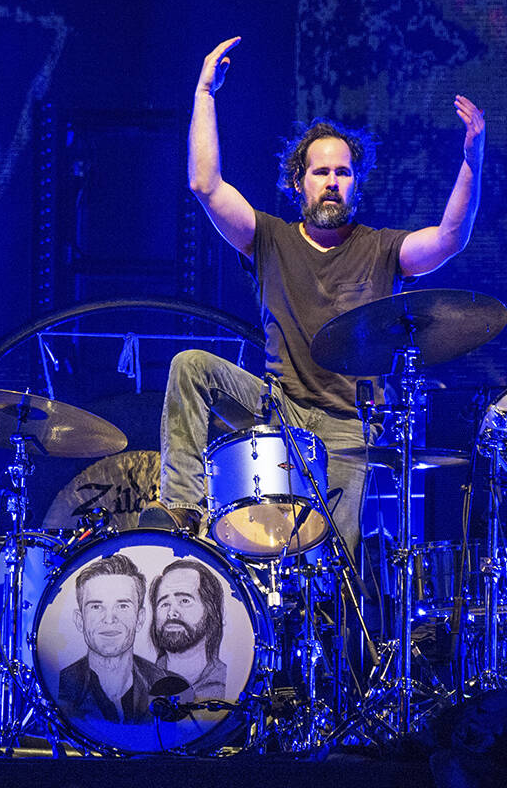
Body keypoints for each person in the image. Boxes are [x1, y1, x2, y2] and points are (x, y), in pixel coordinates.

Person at [139, 36, 485, 557]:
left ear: (355, 184)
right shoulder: (270, 238)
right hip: (276, 407)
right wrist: (205, 94)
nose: (331, 182)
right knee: (191, 365)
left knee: (334, 569)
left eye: (342, 173)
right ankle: (184, 509)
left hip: (348, 429)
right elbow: (205, 185)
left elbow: (448, 239)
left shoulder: (381, 248)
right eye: (320, 172)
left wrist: (471, 161)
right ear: (298, 182)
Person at [58, 553, 168, 724]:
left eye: (122, 606)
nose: (109, 619)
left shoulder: (165, 686)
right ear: (80, 620)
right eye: (96, 606)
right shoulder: (59, 688)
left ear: (140, 618)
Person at [149, 559, 227, 699]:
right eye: (164, 603)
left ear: (210, 610)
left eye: (184, 601)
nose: (172, 613)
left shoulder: (227, 682)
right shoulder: (140, 683)